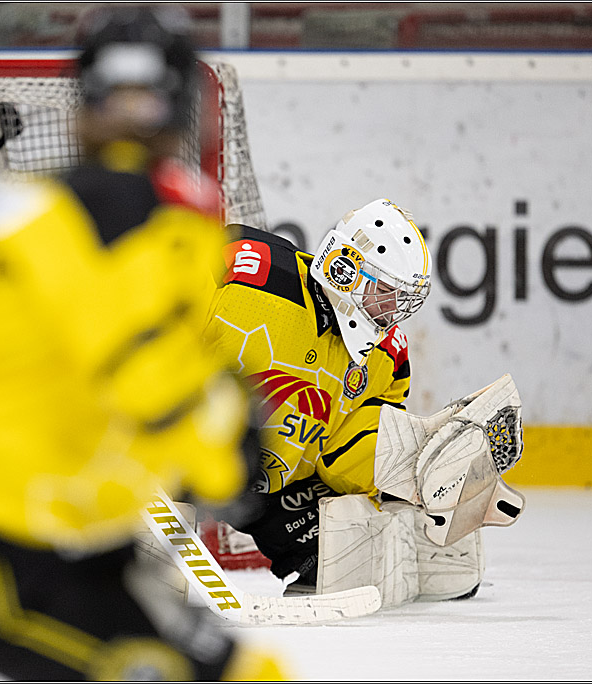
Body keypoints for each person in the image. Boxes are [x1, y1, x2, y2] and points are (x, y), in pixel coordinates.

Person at [0, 6, 283, 681]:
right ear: (182, 106)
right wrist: (227, 459)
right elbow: (149, 380)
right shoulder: (146, 214)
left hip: (37, 530)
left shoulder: (40, 206)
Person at [203, 199, 526, 602]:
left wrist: (424, 472)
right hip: (173, 445)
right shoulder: (249, 274)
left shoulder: (387, 355)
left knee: (347, 560)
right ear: (345, 270)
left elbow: (354, 445)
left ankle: (429, 538)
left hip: (272, 487)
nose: (394, 312)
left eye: (401, 300)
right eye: (387, 294)